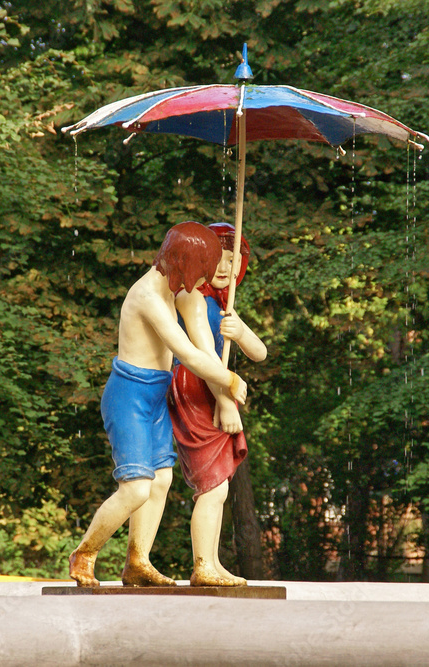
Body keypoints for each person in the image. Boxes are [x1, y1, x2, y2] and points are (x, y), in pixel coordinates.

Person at [68, 221, 249, 588]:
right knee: (135, 487)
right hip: (129, 396)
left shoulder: (173, 290)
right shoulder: (148, 296)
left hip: (155, 396)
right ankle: (84, 554)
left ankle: (137, 561)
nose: (204, 283)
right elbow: (188, 353)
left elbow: (202, 341)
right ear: (186, 264)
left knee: (161, 480)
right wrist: (231, 380)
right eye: (203, 273)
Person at [168, 222, 267, 586]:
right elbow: (203, 352)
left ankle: (209, 561)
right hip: (195, 385)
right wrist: (225, 401)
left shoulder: (225, 305)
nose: (226, 267)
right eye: (219, 259)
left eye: (234, 259)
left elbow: (260, 354)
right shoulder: (190, 295)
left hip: (215, 384)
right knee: (211, 483)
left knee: (220, 485)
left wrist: (240, 332)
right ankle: (202, 566)